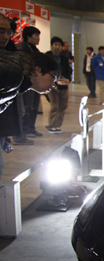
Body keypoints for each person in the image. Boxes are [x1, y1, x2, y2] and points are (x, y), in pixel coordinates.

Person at [0, 45, 58, 177]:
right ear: (38, 70)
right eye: (53, 77)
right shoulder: (14, 73)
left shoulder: (18, 82)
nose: (53, 84)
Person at [17, 26, 42, 139]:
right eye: (36, 35)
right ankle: (26, 129)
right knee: (28, 106)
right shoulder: (22, 49)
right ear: (28, 36)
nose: (38, 38)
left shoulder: (35, 49)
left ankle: (31, 127)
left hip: (35, 82)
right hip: (27, 82)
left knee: (34, 106)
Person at [45, 36, 72, 133]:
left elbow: (68, 70)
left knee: (63, 105)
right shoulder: (47, 56)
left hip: (63, 84)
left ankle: (58, 125)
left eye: (59, 45)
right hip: (51, 84)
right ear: (52, 45)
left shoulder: (64, 58)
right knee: (55, 106)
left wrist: (68, 79)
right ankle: (51, 125)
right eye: (55, 44)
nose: (57, 47)